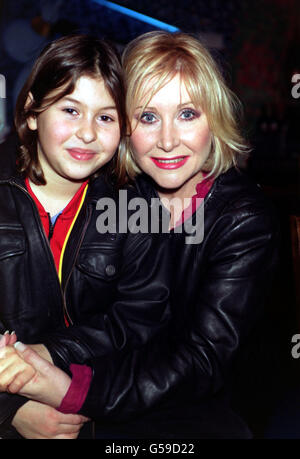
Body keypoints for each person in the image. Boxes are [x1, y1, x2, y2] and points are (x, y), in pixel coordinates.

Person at [0, 31, 279, 439]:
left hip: (194, 408)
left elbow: (202, 359)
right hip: (96, 391)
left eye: (188, 114)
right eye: (148, 117)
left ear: (215, 118)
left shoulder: (242, 221)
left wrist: (68, 390)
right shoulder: (122, 194)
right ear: (127, 126)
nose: (167, 140)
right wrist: (17, 404)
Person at [0, 33, 172, 439]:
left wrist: (45, 358)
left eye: (106, 117)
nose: (88, 133)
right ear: (31, 113)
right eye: (70, 110)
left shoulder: (135, 206)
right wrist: (13, 410)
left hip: (97, 401)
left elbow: (142, 320)